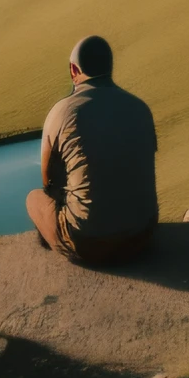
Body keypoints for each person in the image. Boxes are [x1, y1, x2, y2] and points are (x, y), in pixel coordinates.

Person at [26, 34, 158, 265]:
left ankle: (57, 239)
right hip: (143, 236)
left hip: (88, 244)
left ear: (74, 70)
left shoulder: (62, 111)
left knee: (34, 198)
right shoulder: (140, 107)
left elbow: (47, 180)